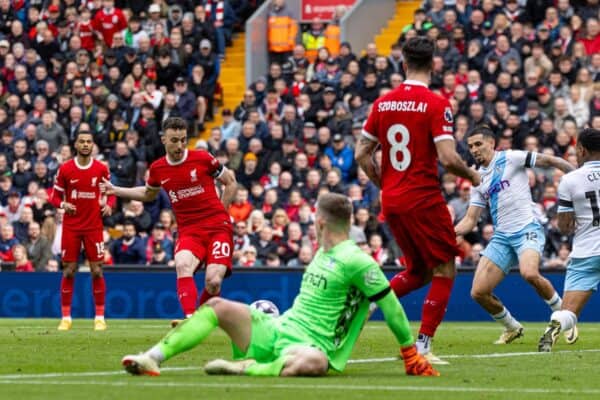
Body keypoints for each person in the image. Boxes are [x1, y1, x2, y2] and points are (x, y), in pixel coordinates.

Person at [121, 193, 438, 378]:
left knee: (315, 363)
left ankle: (246, 368)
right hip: (276, 327)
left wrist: (410, 354)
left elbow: (391, 306)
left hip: (306, 348)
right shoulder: (321, 252)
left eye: (315, 216)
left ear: (322, 221)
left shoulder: (358, 261)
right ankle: (152, 357)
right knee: (216, 305)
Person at [354, 37, 480, 364]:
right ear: (433, 64)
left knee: (419, 271)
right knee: (445, 267)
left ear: (404, 64)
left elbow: (361, 154)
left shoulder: (383, 104)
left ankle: (370, 300)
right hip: (423, 199)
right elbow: (449, 159)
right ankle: (422, 347)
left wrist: (385, 183)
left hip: (392, 200)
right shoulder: (437, 104)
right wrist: (475, 177)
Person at [102, 117, 237, 322]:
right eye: (175, 140)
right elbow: (148, 194)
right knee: (182, 265)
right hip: (189, 229)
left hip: (217, 226)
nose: (180, 145)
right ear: (164, 139)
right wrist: (115, 189)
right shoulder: (158, 168)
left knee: (213, 281)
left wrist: (222, 212)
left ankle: (201, 319)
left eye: (183, 140)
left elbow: (231, 181)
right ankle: (191, 320)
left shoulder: (202, 158)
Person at [454, 125, 576, 345]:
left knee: (529, 273)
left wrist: (578, 176)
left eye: (478, 144)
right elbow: (470, 220)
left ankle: (564, 317)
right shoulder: (477, 178)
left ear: (491, 143)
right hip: (502, 237)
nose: (474, 149)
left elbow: (550, 161)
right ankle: (512, 327)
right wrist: (450, 233)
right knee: (478, 292)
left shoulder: (511, 158)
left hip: (527, 229)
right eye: (471, 146)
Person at [538, 128, 600, 352]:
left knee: (568, 312)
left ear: (582, 150)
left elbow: (564, 227)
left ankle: (556, 324)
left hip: (586, 251)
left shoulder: (570, 180)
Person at [50, 129, 112, 331]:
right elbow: (54, 197)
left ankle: (100, 317)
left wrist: (109, 204)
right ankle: (66, 318)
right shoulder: (65, 169)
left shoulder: (101, 169)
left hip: (94, 226)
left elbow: (111, 192)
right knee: (69, 270)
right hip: (72, 226)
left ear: (93, 145)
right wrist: (63, 205)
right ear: (75, 145)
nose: (85, 144)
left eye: (89, 141)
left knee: (97, 270)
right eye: (82, 141)